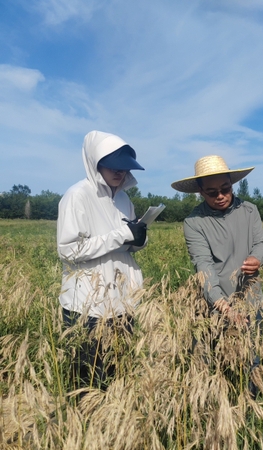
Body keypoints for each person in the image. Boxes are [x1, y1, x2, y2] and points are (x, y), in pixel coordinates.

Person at [171, 155, 263, 396]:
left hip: (250, 300)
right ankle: (215, 407)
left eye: (225, 189)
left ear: (232, 184)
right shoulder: (194, 222)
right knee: (209, 362)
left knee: (252, 360)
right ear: (200, 192)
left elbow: (262, 243)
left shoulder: (249, 210)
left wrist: (257, 258)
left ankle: (251, 407)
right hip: (213, 305)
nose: (221, 196)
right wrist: (224, 307)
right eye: (212, 192)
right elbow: (203, 267)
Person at [57, 130, 147, 391]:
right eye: (112, 166)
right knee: (87, 376)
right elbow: (69, 250)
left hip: (122, 300)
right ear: (95, 163)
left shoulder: (123, 198)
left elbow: (123, 245)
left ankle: (115, 414)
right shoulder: (77, 195)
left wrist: (138, 240)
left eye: (124, 167)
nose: (120, 172)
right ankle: (83, 416)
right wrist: (122, 234)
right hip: (88, 304)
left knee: (117, 370)